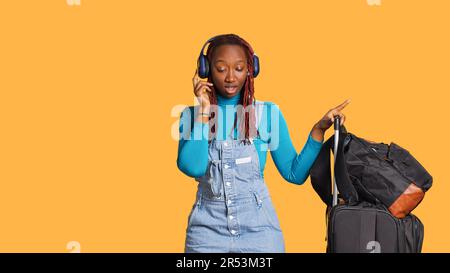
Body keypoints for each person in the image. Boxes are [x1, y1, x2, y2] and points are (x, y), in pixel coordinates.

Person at [177, 34, 350, 253]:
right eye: (221, 69)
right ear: (206, 70)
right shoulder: (190, 116)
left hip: (259, 232)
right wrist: (203, 110)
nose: (230, 77)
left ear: (251, 69)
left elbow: (294, 174)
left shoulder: (267, 114)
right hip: (206, 233)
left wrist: (318, 130)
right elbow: (193, 166)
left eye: (238, 68)